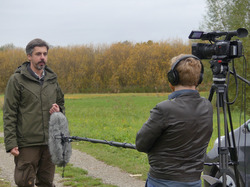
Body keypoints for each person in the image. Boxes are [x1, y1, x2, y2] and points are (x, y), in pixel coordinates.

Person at [136, 54, 213, 187]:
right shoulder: (207, 106)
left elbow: (141, 144)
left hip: (162, 181)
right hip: (194, 181)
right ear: (199, 79)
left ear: (172, 78)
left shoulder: (164, 109)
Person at [3, 38, 65, 187]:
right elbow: (9, 113)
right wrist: (11, 143)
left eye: (45, 53)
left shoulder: (52, 80)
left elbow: (61, 103)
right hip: (27, 142)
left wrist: (58, 110)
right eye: (38, 54)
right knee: (24, 182)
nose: (42, 57)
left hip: (50, 141)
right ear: (29, 56)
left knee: (46, 182)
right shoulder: (17, 80)